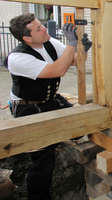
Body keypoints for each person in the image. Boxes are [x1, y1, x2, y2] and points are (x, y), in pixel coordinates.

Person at [4, 13, 92, 199]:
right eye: (38, 29)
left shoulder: (49, 42)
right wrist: (72, 44)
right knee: (43, 158)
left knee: (80, 127)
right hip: (28, 107)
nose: (45, 29)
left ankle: (53, 137)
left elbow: (76, 61)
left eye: (41, 24)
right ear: (27, 38)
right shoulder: (17, 58)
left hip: (51, 99)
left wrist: (82, 49)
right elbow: (58, 70)